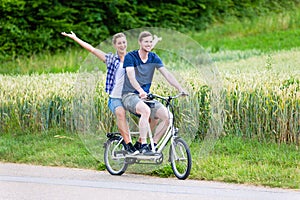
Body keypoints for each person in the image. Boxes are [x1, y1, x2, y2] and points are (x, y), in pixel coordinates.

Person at [61, 31, 161, 155]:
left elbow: (147, 49)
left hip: (131, 96)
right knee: (120, 112)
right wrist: (75, 38)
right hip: (116, 98)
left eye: (124, 42)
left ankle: (140, 143)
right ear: (115, 45)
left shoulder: (133, 57)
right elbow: (92, 49)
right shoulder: (111, 59)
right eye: (119, 43)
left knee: (153, 115)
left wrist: (155, 40)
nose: (122, 45)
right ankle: (128, 144)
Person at [122, 31, 187, 155]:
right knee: (145, 111)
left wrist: (180, 89)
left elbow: (167, 74)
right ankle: (143, 146)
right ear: (140, 42)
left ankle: (153, 145)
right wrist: (140, 91)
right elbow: (131, 76)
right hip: (129, 95)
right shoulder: (131, 57)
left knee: (168, 117)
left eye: (150, 42)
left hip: (145, 97)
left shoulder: (153, 57)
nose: (148, 44)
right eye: (146, 41)